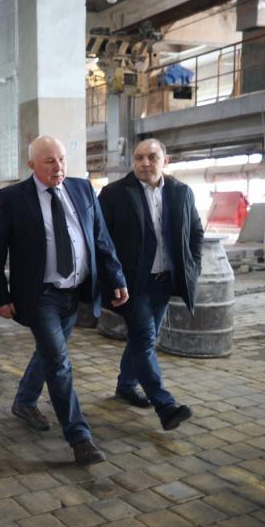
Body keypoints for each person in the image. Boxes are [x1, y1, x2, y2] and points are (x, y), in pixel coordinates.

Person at [0, 135, 128, 466]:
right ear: (32, 164)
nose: (59, 166)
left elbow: (101, 239)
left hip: (75, 292)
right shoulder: (12, 198)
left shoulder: (82, 189)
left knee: (49, 353)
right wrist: (0, 296)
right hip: (40, 296)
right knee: (59, 363)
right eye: (50, 161)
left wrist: (117, 277)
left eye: (62, 159)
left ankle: (24, 401)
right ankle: (79, 437)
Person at [98, 138, 202, 431]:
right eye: (139, 157)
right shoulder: (114, 194)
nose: (145, 163)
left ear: (164, 161)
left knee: (144, 338)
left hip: (164, 282)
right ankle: (165, 406)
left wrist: (193, 267)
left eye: (152, 157)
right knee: (144, 340)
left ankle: (125, 385)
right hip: (133, 284)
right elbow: (101, 240)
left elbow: (195, 232)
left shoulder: (181, 192)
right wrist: (113, 278)